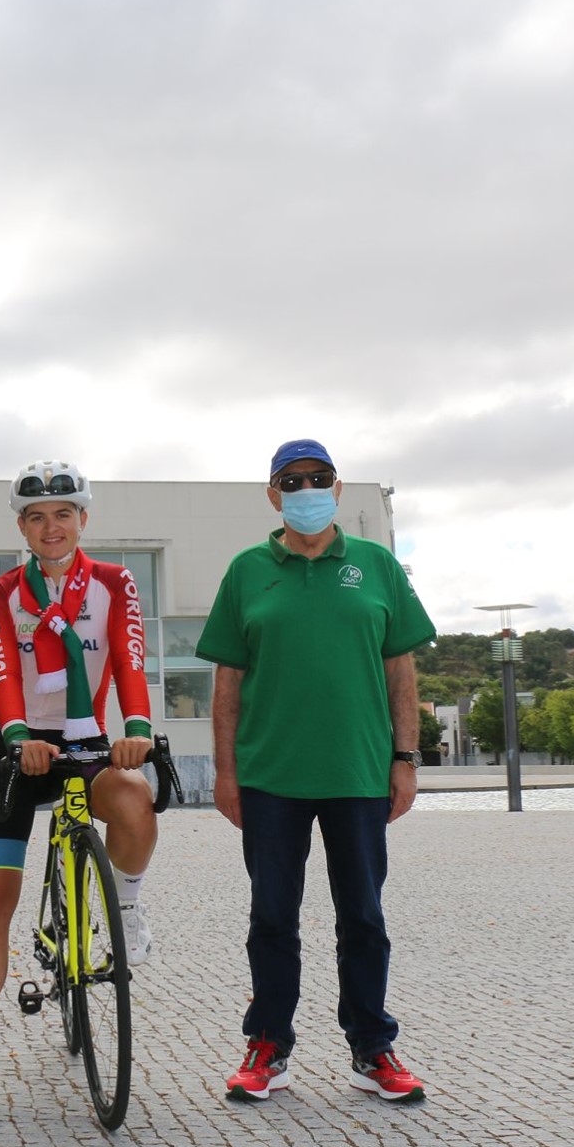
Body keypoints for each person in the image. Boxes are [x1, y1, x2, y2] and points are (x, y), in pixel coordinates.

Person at [196, 438, 437, 1104]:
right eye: (291, 480)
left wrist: (406, 759)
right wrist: (225, 772)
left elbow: (402, 673)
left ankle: (372, 1046)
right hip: (270, 776)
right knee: (272, 915)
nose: (306, 488)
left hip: (359, 773)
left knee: (363, 915)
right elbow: (227, 683)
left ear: (337, 486)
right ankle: (268, 1044)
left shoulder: (377, 566)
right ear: (273, 494)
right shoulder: (248, 570)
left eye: (319, 478)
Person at [0, 460, 159, 1104]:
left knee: (136, 802)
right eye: (37, 517)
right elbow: (3, 672)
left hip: (89, 738)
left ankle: (126, 905)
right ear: (23, 527)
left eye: (63, 514)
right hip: (15, 741)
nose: (51, 526)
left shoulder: (115, 585)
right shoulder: (2, 593)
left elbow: (130, 660)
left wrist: (137, 729)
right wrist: (17, 738)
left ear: (82, 520)